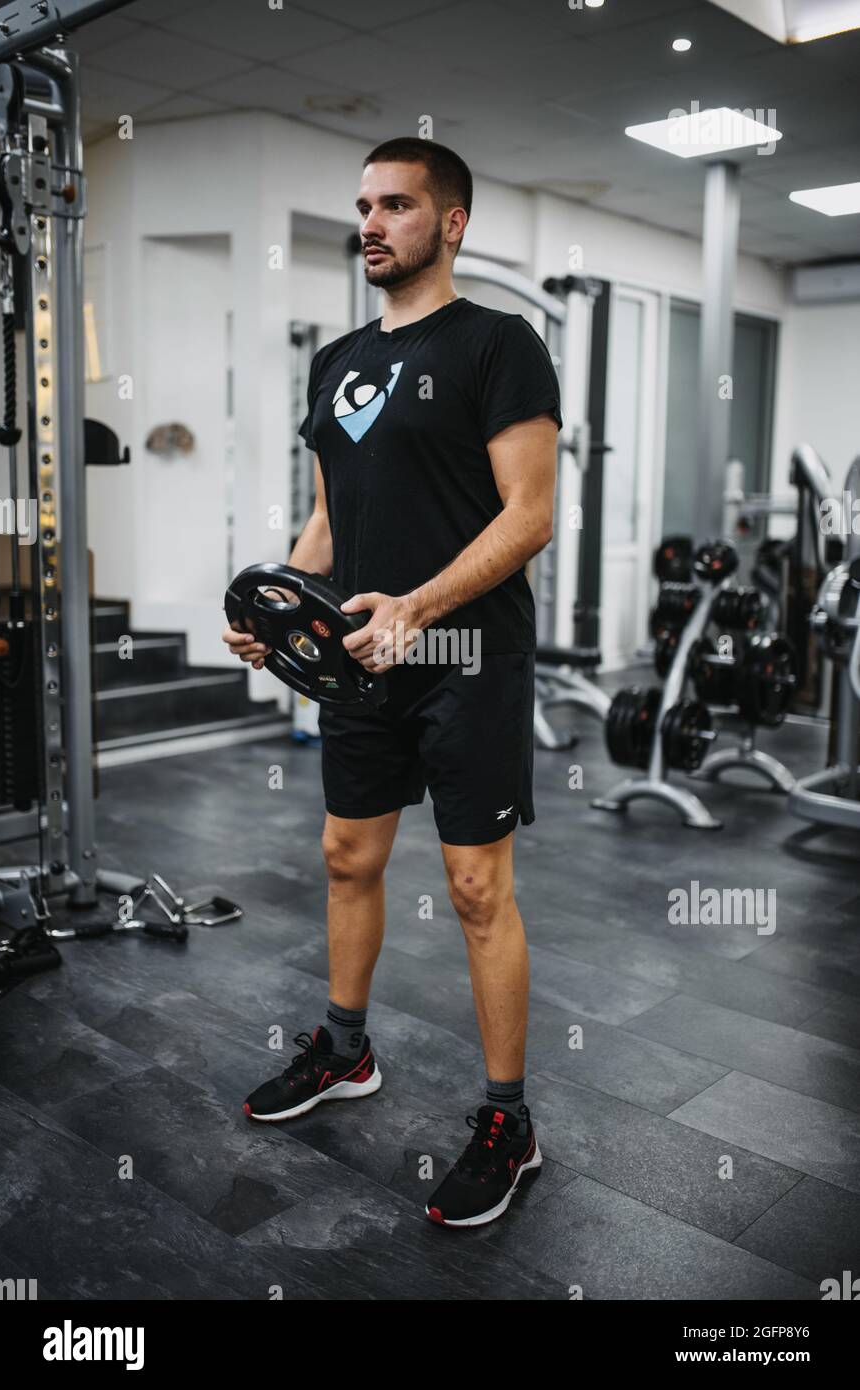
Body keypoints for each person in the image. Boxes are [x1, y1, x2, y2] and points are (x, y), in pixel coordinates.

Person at [222, 137, 562, 1228]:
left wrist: (419, 606)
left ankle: (509, 1119)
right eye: (363, 205)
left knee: (475, 888)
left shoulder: (500, 346)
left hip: (468, 659)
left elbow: (531, 514)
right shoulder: (335, 361)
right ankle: (346, 1049)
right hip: (362, 667)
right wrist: (275, 604)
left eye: (397, 205)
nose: (370, 223)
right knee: (346, 854)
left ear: (451, 222)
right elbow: (332, 520)